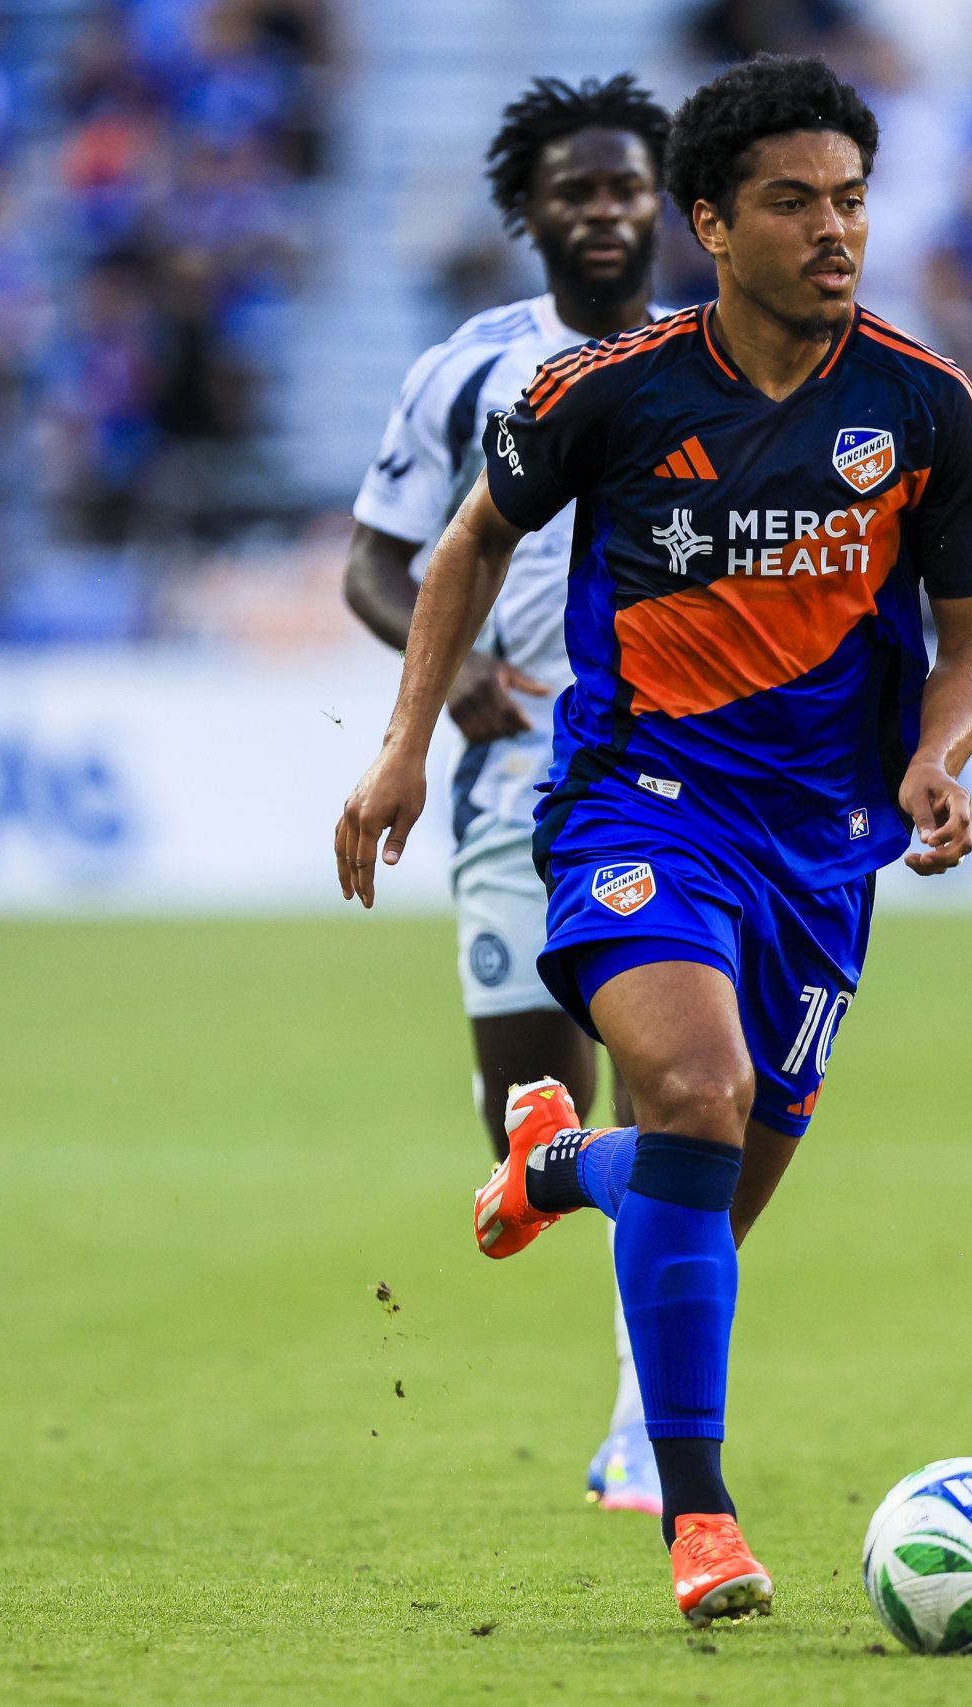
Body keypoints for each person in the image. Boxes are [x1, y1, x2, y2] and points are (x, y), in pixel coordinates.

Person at [334, 54, 972, 1625]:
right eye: (794, 203)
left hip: (824, 846)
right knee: (700, 1100)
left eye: (851, 199)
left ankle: (563, 1165)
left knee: (717, 1185)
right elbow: (458, 552)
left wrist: (935, 760)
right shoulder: (603, 393)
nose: (834, 230)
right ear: (711, 222)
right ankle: (696, 1516)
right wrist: (400, 757)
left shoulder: (923, 405)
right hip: (640, 804)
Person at [339, 74, 674, 1517]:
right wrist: (450, 671)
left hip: (674, 777)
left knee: (681, 1083)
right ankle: (604, 1186)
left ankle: (648, 1423)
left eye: (626, 188)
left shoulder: (728, 358)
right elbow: (374, 559)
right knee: (529, 1118)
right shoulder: (470, 370)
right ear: (528, 210)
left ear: (672, 202)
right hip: (510, 776)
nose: (603, 213)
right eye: (575, 191)